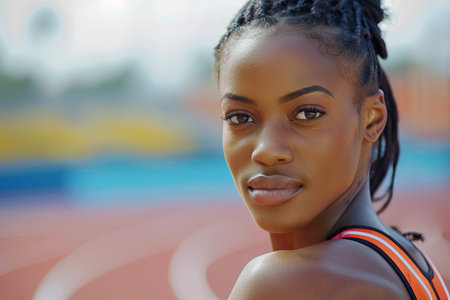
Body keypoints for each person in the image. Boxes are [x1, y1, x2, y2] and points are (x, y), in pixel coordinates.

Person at [213, 0, 449, 299]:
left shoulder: (283, 284)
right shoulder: (404, 259)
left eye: (307, 113)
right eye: (240, 117)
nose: (266, 150)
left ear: (372, 118)